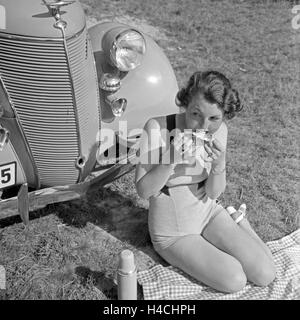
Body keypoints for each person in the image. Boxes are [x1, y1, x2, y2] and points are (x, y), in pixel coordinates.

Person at [135, 70, 276, 293]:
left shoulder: (220, 133)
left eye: (214, 119)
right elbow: (143, 190)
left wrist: (219, 164)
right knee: (235, 280)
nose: (203, 126)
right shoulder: (157, 128)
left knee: (266, 274)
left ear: (224, 116)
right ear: (185, 104)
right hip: (174, 233)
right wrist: (169, 159)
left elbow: (213, 193)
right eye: (195, 114)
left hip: (209, 213)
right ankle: (236, 225)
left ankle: (241, 223)